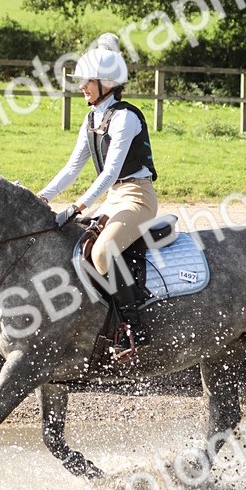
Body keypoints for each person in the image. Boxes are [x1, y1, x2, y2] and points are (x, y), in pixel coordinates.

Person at [37, 32, 158, 346]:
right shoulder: (91, 119)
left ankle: (135, 328)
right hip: (114, 199)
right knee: (78, 247)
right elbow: (72, 167)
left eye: (86, 81)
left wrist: (78, 207)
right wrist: (41, 197)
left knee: (103, 251)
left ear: (107, 82)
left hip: (137, 198)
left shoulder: (125, 118)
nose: (81, 87)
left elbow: (110, 173)